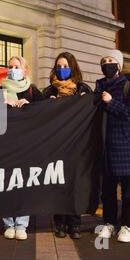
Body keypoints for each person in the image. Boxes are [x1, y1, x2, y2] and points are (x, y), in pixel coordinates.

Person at [43, 52, 92, 240]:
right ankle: (60, 223)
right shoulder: (48, 92)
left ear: (73, 67)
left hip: (78, 146)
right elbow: (38, 117)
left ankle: (75, 223)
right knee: (58, 184)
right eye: (58, 66)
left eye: (65, 66)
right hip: (56, 146)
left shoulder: (83, 89)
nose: (61, 69)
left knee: (75, 185)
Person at [94, 49, 130, 243]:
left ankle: (127, 226)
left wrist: (111, 102)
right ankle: (109, 223)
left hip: (127, 147)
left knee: (129, 191)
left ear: (119, 66)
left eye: (111, 60)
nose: (107, 63)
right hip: (106, 147)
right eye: (104, 61)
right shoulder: (98, 89)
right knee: (108, 191)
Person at [0, 56, 43, 241]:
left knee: (24, 185)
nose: (12, 69)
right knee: (5, 185)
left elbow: (46, 113)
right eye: (10, 66)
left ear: (25, 71)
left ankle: (21, 224)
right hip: (5, 147)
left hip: (26, 147)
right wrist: (1, 105)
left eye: (17, 67)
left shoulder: (33, 92)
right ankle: (8, 224)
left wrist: (31, 108)